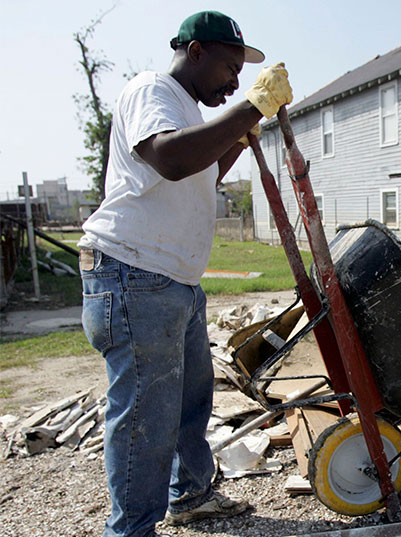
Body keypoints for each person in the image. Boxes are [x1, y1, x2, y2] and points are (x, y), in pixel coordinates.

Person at [77, 11, 292, 537]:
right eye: (230, 68)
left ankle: (190, 495)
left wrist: (238, 135)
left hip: (171, 278)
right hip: (132, 273)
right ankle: (130, 531)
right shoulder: (151, 90)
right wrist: (250, 108)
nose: (235, 84)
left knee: (191, 401)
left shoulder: (187, 111)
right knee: (145, 415)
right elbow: (170, 160)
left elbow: (197, 173)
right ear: (196, 52)